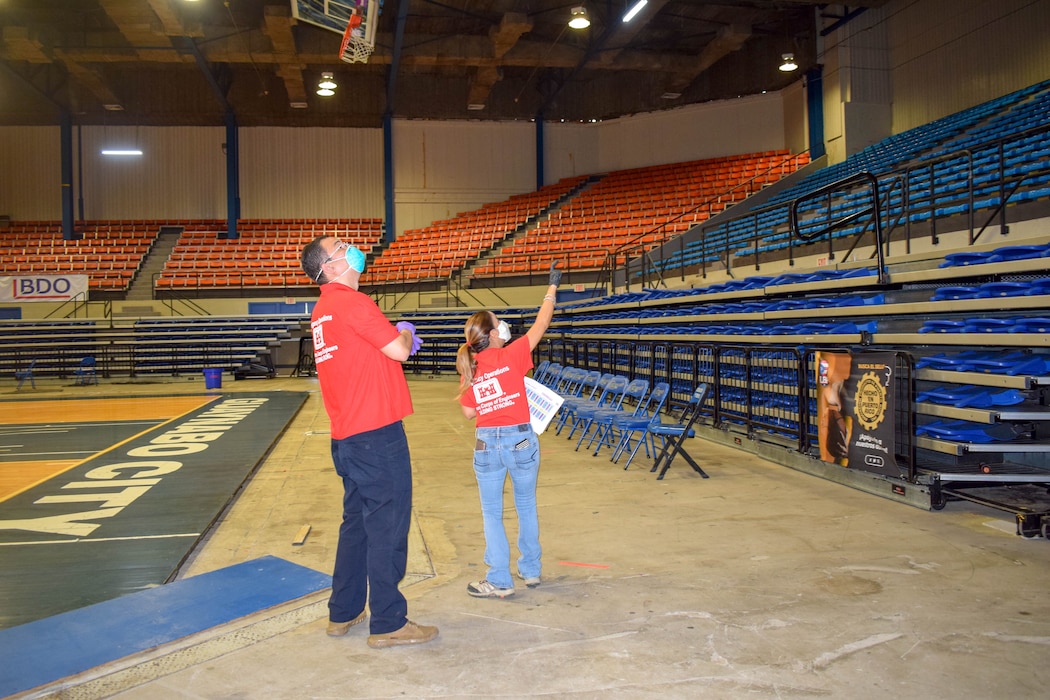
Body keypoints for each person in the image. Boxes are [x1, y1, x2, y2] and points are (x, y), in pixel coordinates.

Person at [300, 235, 437, 649]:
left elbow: (364, 355)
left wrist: (396, 337)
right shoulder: (353, 302)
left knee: (357, 525)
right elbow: (398, 350)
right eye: (342, 246)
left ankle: (343, 612)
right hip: (376, 434)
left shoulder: (323, 310)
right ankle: (389, 621)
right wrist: (406, 334)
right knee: (387, 526)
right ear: (331, 266)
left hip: (347, 435)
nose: (352, 247)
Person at [455, 262, 561, 598]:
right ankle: (531, 571)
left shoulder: (471, 366)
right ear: (494, 333)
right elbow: (541, 323)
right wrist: (551, 289)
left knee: (492, 513)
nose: (504, 326)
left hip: (487, 444)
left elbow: (468, 411)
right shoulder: (513, 354)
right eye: (500, 323)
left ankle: (499, 579)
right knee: (526, 504)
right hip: (520, 440)